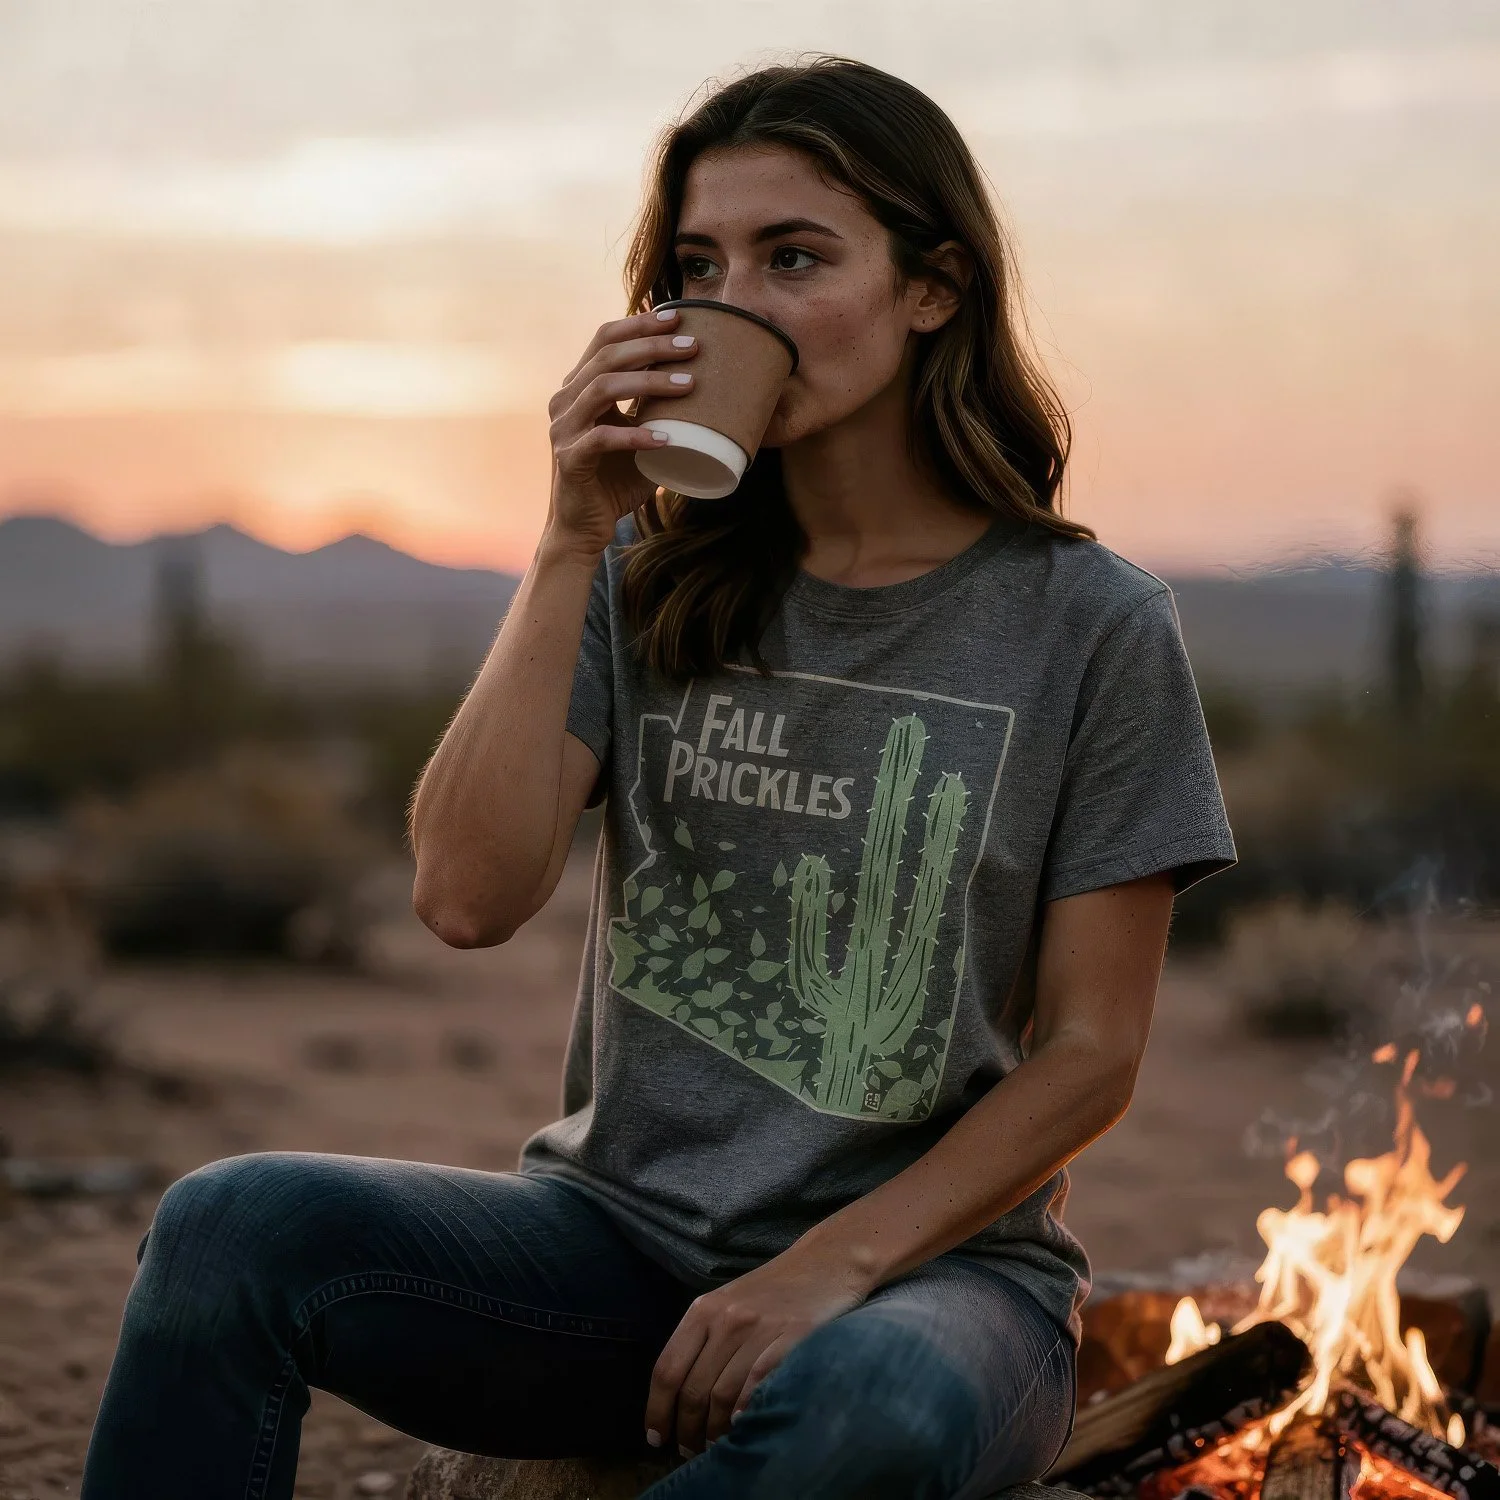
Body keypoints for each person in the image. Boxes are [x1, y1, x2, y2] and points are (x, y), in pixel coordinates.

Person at [82, 56, 1235, 1500]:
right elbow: (462, 895)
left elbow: (1090, 1053)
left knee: (868, 1411)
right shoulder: (644, 577)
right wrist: (570, 534)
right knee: (230, 1228)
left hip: (935, 1287)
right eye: (700, 264)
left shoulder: (1092, 623)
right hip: (612, 1250)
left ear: (933, 288)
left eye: (794, 256)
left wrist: (824, 1271)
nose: (733, 301)